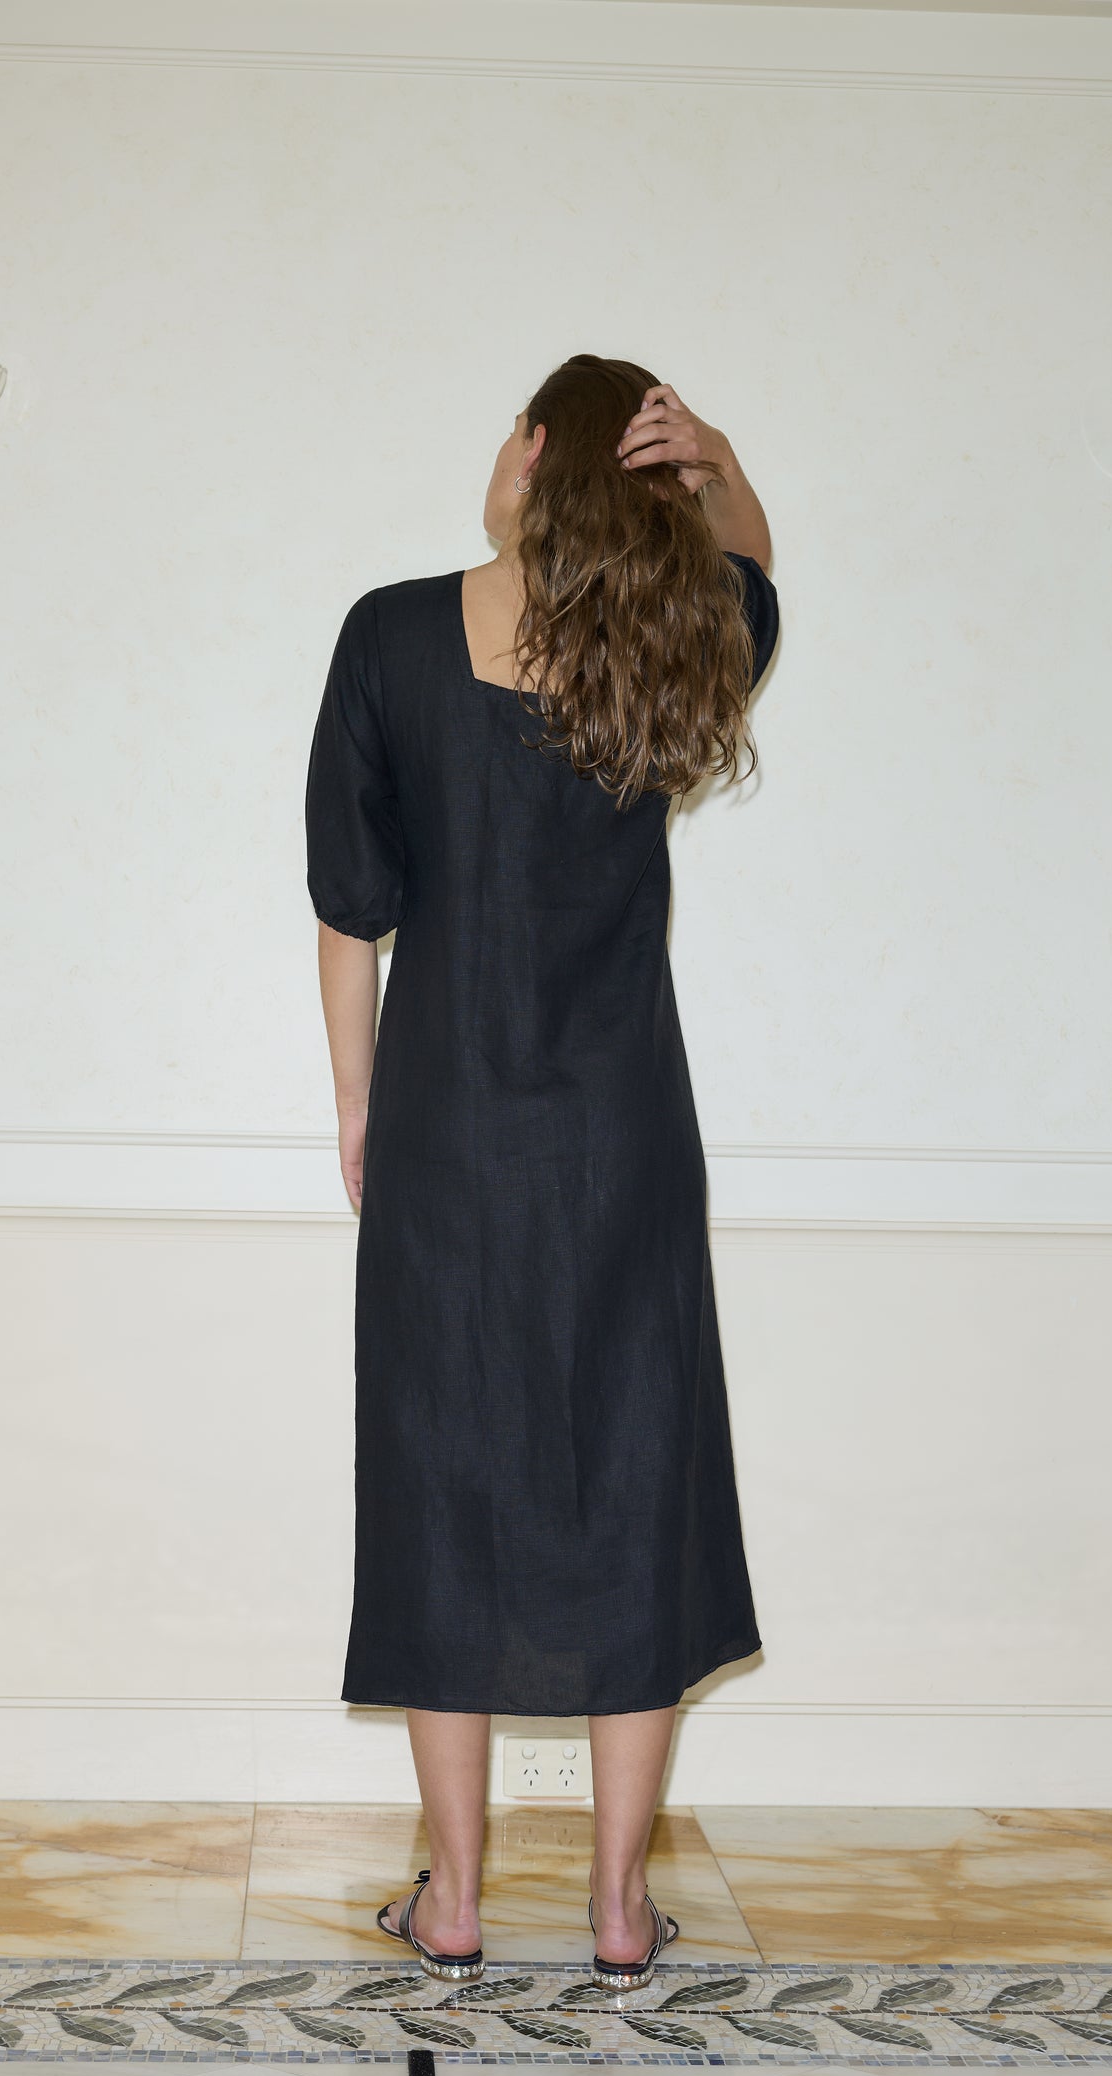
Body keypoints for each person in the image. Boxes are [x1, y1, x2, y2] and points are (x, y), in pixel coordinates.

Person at [304, 354, 778, 1991]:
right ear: (653, 482)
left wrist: (359, 1111)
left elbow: (349, 905)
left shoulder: (386, 633)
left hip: (446, 1134)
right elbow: (759, 568)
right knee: (635, 1489)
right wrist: (714, 460)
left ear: (521, 453)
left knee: (440, 1488)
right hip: (626, 1140)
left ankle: (450, 1899)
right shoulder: (679, 639)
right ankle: (617, 1913)